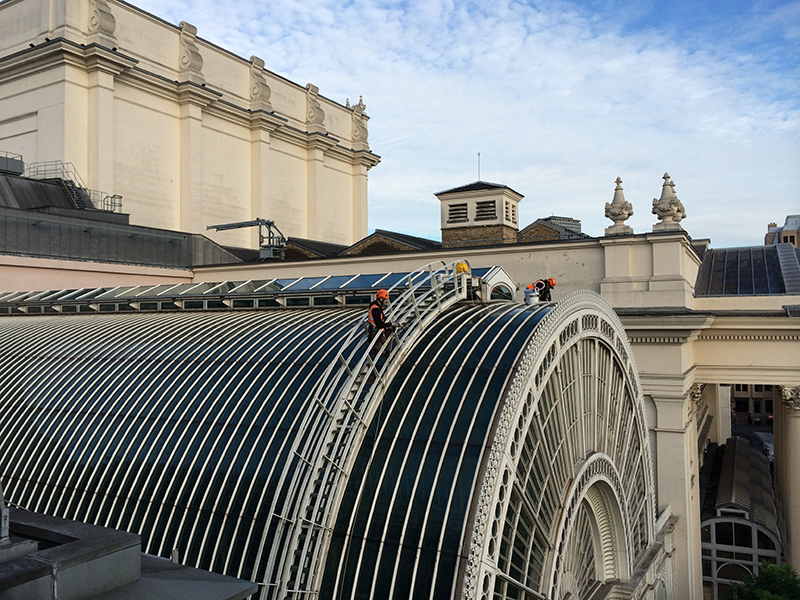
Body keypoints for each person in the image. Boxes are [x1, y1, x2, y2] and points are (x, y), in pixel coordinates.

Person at [367, 289, 393, 355]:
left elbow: (383, 317)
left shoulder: (376, 307)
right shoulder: (376, 309)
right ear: (381, 299)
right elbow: (379, 324)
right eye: (385, 299)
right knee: (376, 350)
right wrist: (390, 324)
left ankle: (387, 352)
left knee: (389, 333)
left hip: (373, 330)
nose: (386, 301)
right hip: (375, 331)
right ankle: (387, 353)